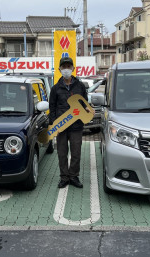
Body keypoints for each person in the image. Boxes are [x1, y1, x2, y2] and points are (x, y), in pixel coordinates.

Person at [49, 57, 95, 188]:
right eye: (64, 67)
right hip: (61, 126)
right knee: (62, 153)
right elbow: (52, 107)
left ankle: (74, 176)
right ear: (60, 69)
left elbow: (85, 103)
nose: (66, 69)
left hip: (76, 127)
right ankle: (64, 178)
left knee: (76, 153)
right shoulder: (55, 88)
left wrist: (88, 109)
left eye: (68, 66)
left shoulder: (80, 86)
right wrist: (53, 123)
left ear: (73, 68)